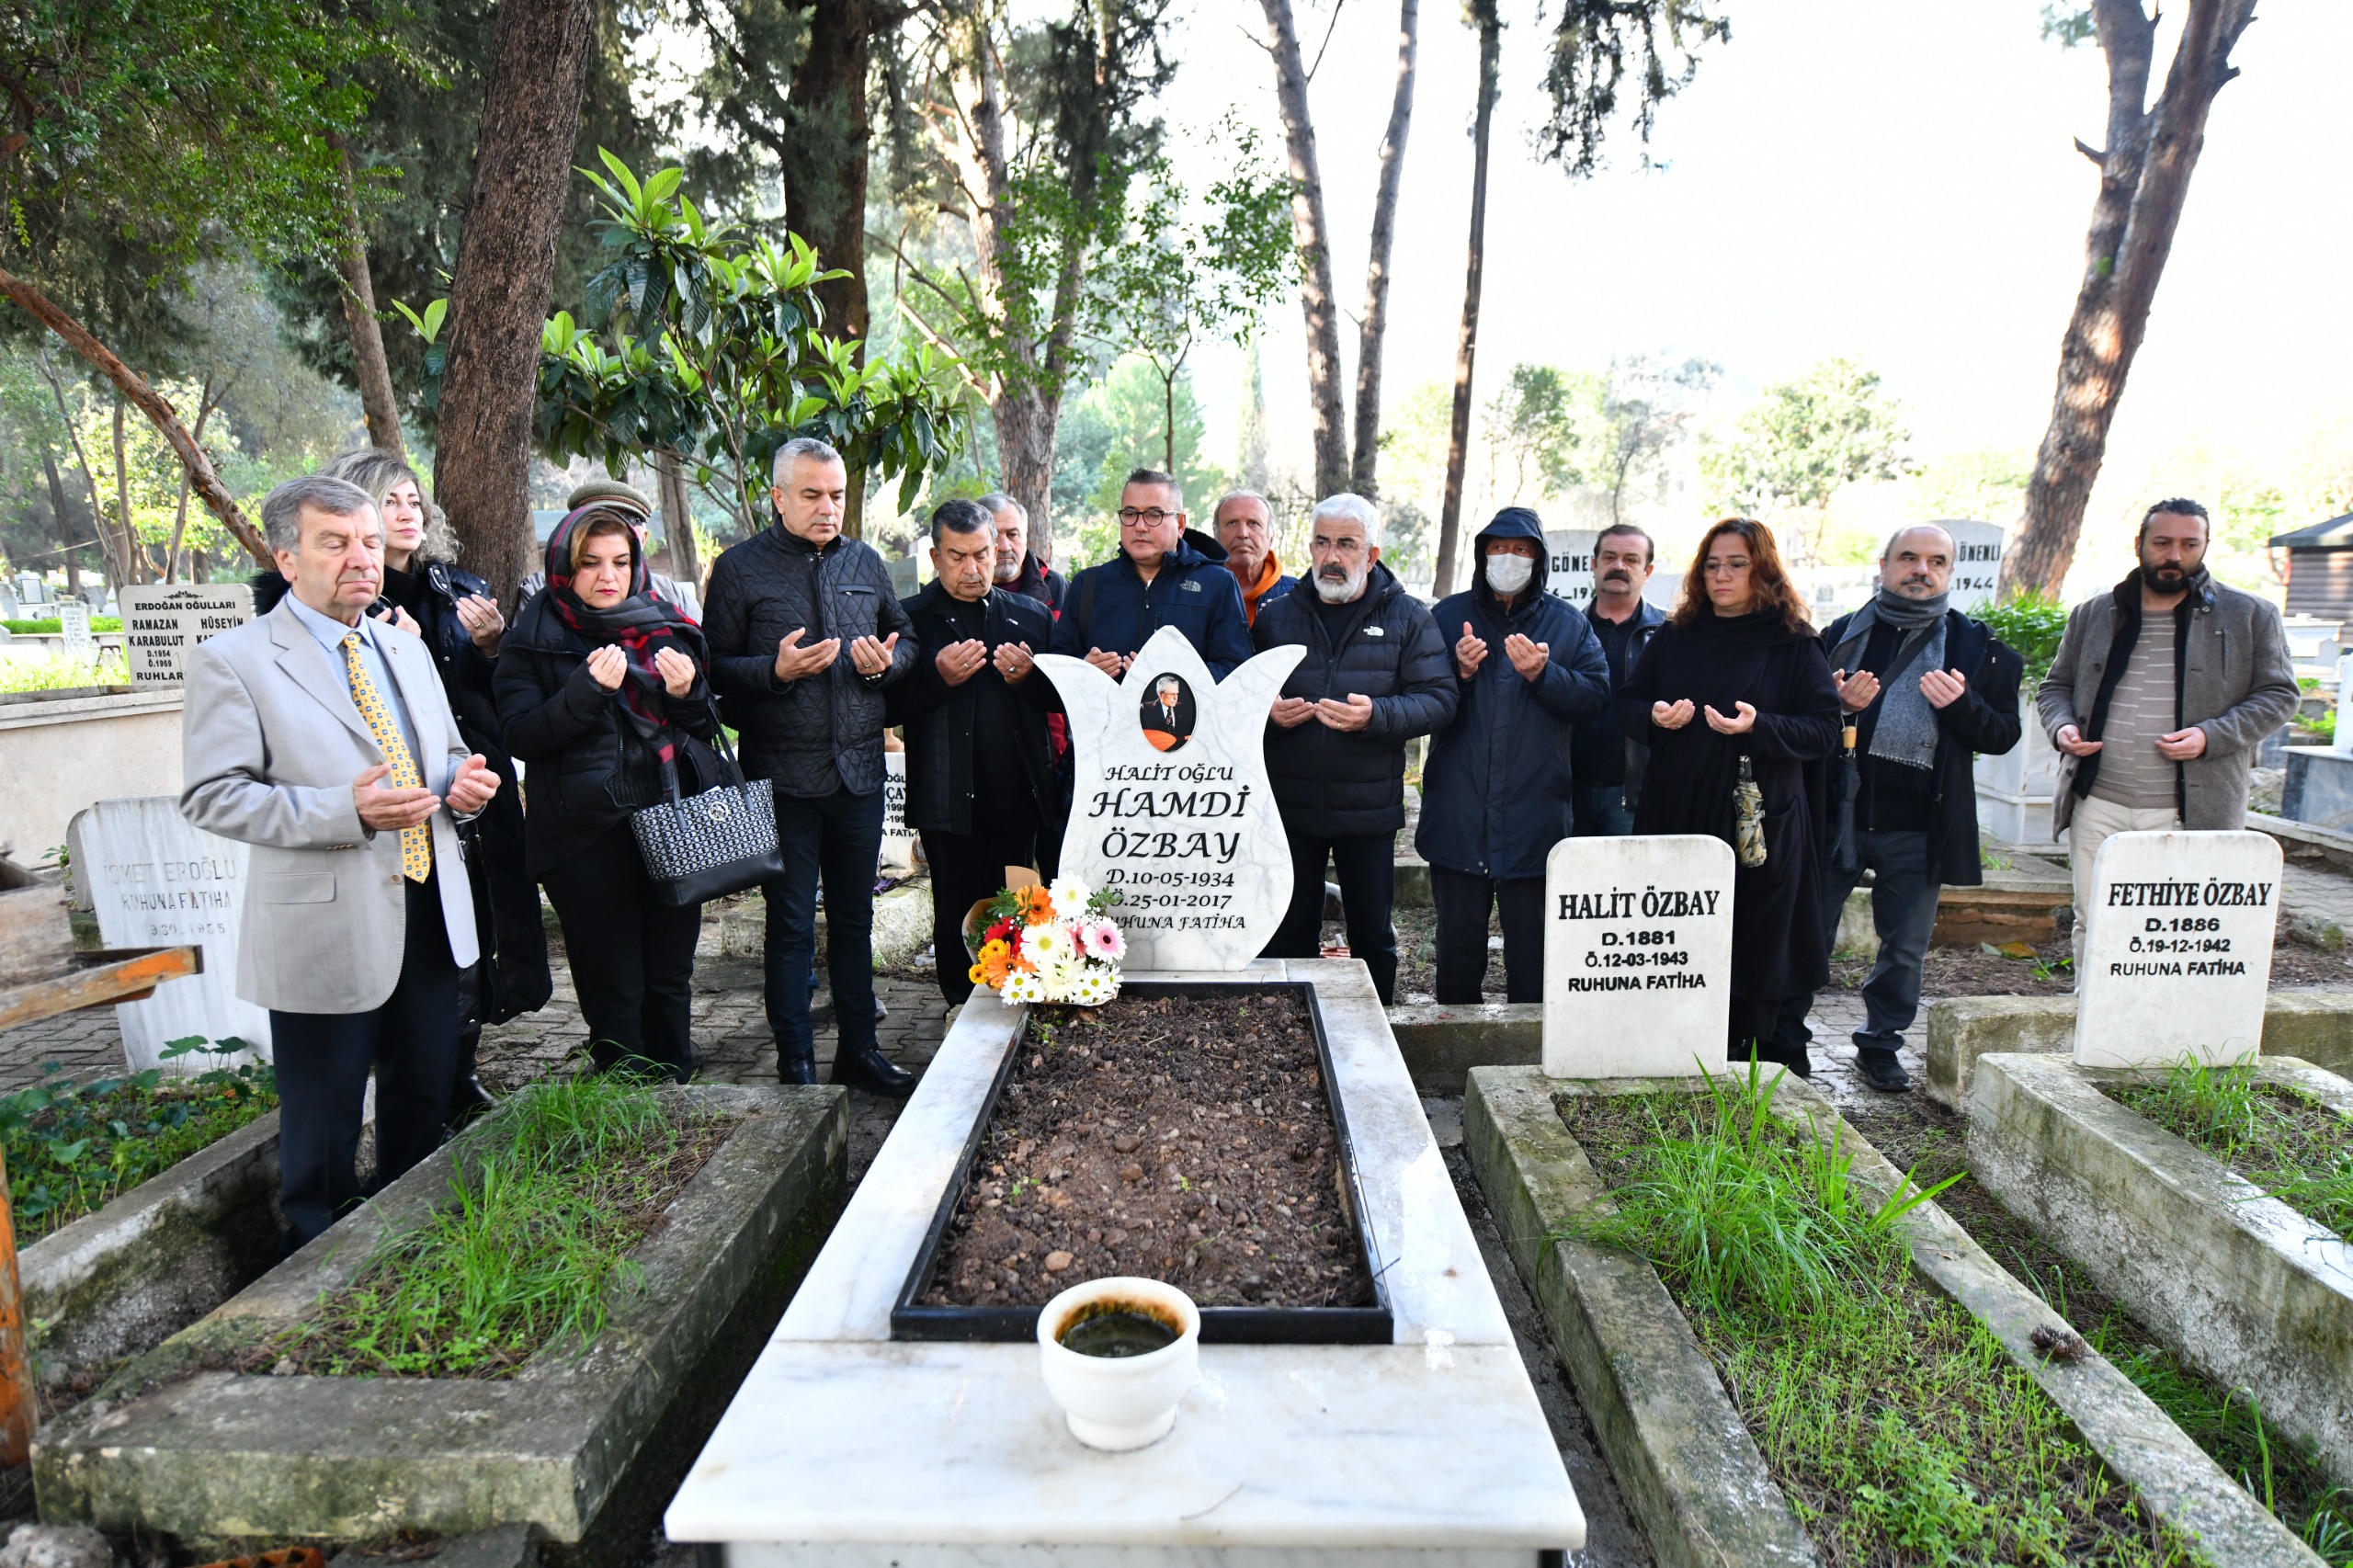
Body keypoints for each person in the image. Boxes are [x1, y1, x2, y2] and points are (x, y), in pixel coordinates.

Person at [181, 474, 503, 1251]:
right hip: (325, 927)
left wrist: (465, 787)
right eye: (335, 543)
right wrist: (343, 811)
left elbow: (447, 754)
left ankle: (406, 1244)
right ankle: (315, 1262)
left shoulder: (402, 645)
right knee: (323, 1122)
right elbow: (211, 797)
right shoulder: (235, 660)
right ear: (286, 557)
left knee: (422, 1099)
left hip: (429, 908)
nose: (361, 558)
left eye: (367, 541)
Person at [321, 449, 551, 1121]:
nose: (406, 513)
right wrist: (403, 651)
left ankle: (463, 1068)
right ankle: (420, 1080)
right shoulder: (346, 600)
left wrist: (489, 648)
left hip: (475, 778)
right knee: (419, 934)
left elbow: (495, 693)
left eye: (413, 501)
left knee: (479, 924)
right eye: (390, 501)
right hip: (400, 796)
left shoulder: (458, 585)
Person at [1769, 526, 2024, 1092]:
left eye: (1936, 561)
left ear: (1950, 573)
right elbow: (1792, 720)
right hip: (1836, 815)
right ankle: (1788, 1038)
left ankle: (1881, 1045)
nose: (1921, 570)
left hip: (1920, 822)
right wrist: (1833, 707)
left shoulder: (1977, 649)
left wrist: (1962, 706)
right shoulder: (1835, 637)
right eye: (1908, 558)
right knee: (1808, 931)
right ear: (1882, 565)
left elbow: (2003, 733)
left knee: (1904, 947)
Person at [703, 437, 919, 1096]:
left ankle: (861, 1050)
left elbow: (905, 638)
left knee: (856, 919)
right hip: (783, 781)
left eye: (837, 495)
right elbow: (713, 671)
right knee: (792, 922)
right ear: (777, 497)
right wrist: (775, 670)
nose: (828, 508)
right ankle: (793, 1058)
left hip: (858, 775)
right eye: (812, 495)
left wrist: (888, 663)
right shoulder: (740, 570)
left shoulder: (865, 561)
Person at [494, 506, 721, 1082]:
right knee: (612, 979)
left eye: (620, 562)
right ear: (564, 569)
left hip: (670, 820)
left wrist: (689, 692)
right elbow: (522, 734)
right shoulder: (533, 639)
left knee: (670, 972)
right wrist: (588, 691)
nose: (607, 576)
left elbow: (701, 723)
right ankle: (624, 1099)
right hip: (584, 836)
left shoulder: (667, 625)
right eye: (590, 564)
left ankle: (677, 1085)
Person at [1618, 518, 1842, 1074]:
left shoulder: (1791, 642)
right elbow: (1625, 705)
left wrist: (1759, 726)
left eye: (1736, 564)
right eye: (1713, 564)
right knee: (1678, 928)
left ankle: (1750, 1056)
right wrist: (1654, 715)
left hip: (1756, 819)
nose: (1722, 575)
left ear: (1761, 568)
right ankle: (1676, 1044)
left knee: (1755, 934)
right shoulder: (1676, 635)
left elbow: (1823, 730)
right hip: (1678, 810)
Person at [2040, 497, 2298, 965]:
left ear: (2205, 547)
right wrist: (2061, 728)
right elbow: (2055, 687)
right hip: (2097, 804)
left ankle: (2163, 1036)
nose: (2174, 555)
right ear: (2139, 544)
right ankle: (2091, 1028)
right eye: (2162, 543)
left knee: (2178, 937)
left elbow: (2279, 696)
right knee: (2093, 919)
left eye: (2188, 544)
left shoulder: (2250, 616)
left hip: (2189, 813)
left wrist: (2211, 737)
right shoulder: (2093, 614)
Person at [1255, 494, 1456, 1004]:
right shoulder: (1276, 617)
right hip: (1288, 809)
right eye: (1322, 542)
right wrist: (1270, 716)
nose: (1332, 556)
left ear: (1371, 554)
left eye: (1346, 543)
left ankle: (1377, 1033)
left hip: (1367, 810)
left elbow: (1440, 700)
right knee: (1289, 933)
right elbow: (1241, 699)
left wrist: (1377, 716)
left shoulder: (1408, 617)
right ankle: (1292, 1035)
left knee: (1373, 936)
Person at [1415, 507, 1610, 1003]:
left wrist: (1545, 676)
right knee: (1458, 951)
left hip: (1534, 820)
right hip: (1459, 817)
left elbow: (1595, 697)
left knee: (1535, 954)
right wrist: (1454, 673)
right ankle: (1453, 1051)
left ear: (1538, 559)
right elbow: (1415, 699)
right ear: (1482, 554)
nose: (1509, 558)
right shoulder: (1445, 617)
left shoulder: (1568, 625)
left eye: (1522, 550)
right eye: (1499, 548)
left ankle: (1532, 1051)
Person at [893, 499, 1063, 1005]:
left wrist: (1032, 680)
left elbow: (1060, 702)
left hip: (1020, 800)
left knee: (1018, 910)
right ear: (934, 556)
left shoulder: (1030, 616)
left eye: (983, 555)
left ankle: (1014, 1002)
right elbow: (884, 706)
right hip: (947, 801)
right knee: (954, 916)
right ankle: (957, 1014)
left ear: (1001, 548)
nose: (973, 569)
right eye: (958, 556)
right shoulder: (911, 619)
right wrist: (937, 678)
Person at [1051, 469, 1254, 677]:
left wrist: (1174, 679)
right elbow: (1055, 673)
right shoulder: (1088, 585)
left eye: (1154, 515)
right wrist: (1082, 672)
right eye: (1130, 514)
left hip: (1182, 710)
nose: (1140, 526)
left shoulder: (1217, 584)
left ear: (1181, 524)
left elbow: (1237, 672)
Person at [1570, 524, 1666, 836]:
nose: (1619, 566)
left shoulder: (1669, 635)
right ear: (1593, 565)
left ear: (1647, 571)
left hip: (1635, 796)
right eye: (1609, 557)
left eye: (1631, 559)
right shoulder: (1567, 630)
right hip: (1567, 793)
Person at [514, 478, 695, 615]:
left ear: (643, 538)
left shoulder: (674, 597)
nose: (607, 577)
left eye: (624, 526)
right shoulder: (537, 592)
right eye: (595, 524)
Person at [1214, 490, 1293, 627]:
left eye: (1253, 523)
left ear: (1270, 539)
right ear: (1216, 536)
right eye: (1232, 523)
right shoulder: (1197, 592)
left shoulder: (1296, 596)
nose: (1243, 534)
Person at [980, 492, 1064, 617]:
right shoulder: (958, 589)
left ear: (1025, 536)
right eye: (994, 537)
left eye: (1012, 534)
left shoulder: (1058, 587)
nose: (1004, 547)